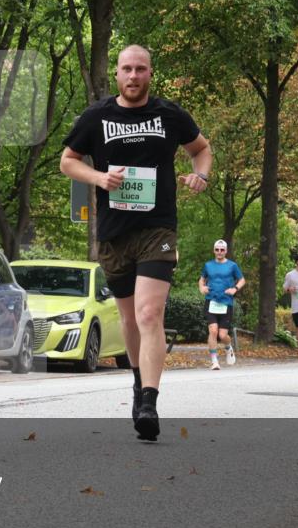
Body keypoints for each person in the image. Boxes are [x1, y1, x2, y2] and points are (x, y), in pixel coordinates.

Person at [60, 44, 212, 442]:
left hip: (158, 228)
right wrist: (97, 179)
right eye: (126, 69)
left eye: (140, 69)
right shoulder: (97, 116)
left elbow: (202, 149)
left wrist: (202, 176)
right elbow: (67, 161)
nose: (133, 76)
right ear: (117, 74)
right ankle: (137, 378)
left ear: (150, 73)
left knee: (148, 314)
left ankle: (149, 400)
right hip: (114, 232)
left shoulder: (169, 114)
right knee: (128, 318)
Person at [198, 239, 245, 370]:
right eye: (217, 250)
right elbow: (201, 280)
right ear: (214, 250)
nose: (219, 252)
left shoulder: (232, 266)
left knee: (222, 335)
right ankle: (214, 361)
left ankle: (228, 347)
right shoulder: (208, 265)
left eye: (222, 250)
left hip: (226, 302)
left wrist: (235, 289)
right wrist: (202, 288)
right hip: (211, 301)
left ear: (226, 251)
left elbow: (242, 280)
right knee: (212, 331)